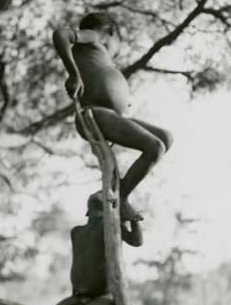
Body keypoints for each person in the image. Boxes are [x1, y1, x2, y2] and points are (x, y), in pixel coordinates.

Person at [52, 12, 173, 222]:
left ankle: (118, 193)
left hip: (108, 115)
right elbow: (61, 34)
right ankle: (122, 197)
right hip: (95, 114)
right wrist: (74, 74)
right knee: (155, 147)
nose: (115, 56)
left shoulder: (98, 52)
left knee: (165, 137)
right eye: (117, 48)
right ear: (110, 32)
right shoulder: (94, 36)